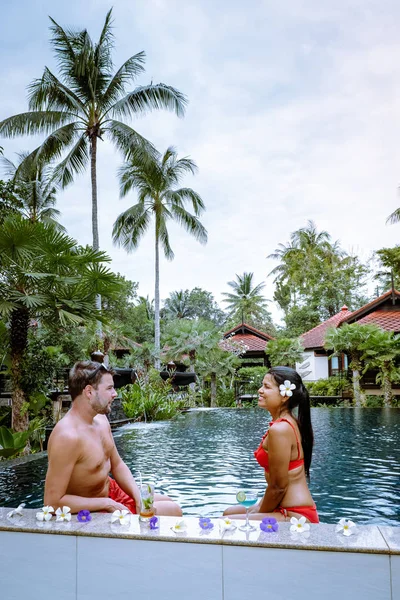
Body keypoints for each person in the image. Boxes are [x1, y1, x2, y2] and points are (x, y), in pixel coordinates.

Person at [44, 361, 182, 516]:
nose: (115, 394)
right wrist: (107, 504)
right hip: (91, 507)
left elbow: (117, 465)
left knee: (168, 501)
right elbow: (52, 503)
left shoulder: (101, 419)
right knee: (173, 511)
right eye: (109, 388)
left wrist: (137, 497)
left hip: (111, 492)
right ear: (89, 392)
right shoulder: (67, 437)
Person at [224, 366, 319, 523]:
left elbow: (278, 487)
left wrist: (259, 512)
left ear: (284, 396)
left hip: (295, 515)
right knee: (229, 513)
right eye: (262, 385)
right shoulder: (286, 422)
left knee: (227, 523)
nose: (260, 390)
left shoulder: (280, 429)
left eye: (267, 387)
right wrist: (260, 506)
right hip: (284, 508)